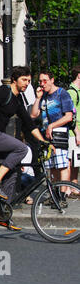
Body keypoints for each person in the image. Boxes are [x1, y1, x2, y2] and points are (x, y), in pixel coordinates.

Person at [0, 66, 50, 230]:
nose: (27, 84)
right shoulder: (3, 91)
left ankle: (2, 215)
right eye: (24, 80)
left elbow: (29, 123)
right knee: (21, 149)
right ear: (14, 80)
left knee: (13, 171)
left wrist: (43, 141)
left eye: (29, 81)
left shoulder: (18, 99)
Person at [30, 70, 74, 191]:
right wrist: (37, 98)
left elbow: (68, 116)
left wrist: (52, 126)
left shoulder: (61, 93)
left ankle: (62, 194)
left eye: (45, 81)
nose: (42, 84)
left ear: (52, 80)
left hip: (59, 133)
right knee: (51, 166)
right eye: (40, 81)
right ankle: (54, 193)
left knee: (62, 165)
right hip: (46, 135)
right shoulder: (43, 96)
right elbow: (34, 115)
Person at [66, 65, 80, 196]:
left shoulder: (77, 91)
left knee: (76, 160)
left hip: (77, 131)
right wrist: (77, 132)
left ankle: (74, 185)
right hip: (73, 132)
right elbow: (72, 114)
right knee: (71, 159)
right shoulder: (72, 92)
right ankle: (69, 188)